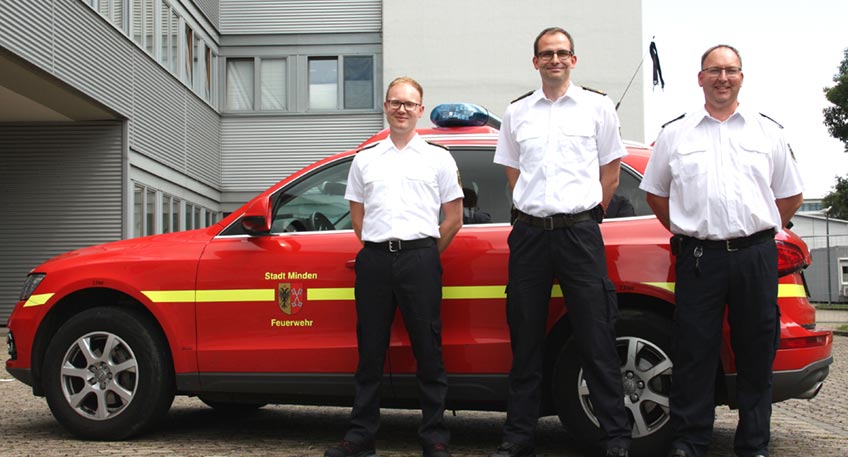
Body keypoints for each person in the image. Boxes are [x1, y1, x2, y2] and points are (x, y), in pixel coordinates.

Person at [639, 45, 804, 457]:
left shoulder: (768, 132)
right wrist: (687, 230)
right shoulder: (676, 133)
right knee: (694, 351)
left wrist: (759, 230)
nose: (723, 78)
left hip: (756, 255)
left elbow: (790, 196)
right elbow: (656, 194)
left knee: (755, 350)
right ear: (700, 78)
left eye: (731, 70)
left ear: (741, 78)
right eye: (714, 70)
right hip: (700, 257)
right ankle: (689, 441)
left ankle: (753, 444)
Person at [491, 27, 632, 457]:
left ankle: (616, 437)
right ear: (535, 62)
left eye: (562, 53)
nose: (554, 59)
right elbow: (513, 174)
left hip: (580, 234)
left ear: (574, 59)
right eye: (546, 54)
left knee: (595, 335)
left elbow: (611, 172)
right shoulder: (517, 113)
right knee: (526, 338)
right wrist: (536, 209)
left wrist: (588, 216)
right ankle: (518, 438)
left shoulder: (597, 107)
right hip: (530, 234)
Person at [324, 76, 464, 457]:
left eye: (409, 103)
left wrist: (428, 254)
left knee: (428, 351)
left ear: (420, 109)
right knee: (370, 352)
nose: (401, 108)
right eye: (394, 102)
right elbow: (358, 218)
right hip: (374, 261)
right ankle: (360, 437)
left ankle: (434, 436)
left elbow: (453, 217)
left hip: (420, 258)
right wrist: (380, 247)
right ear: (386, 107)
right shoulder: (365, 159)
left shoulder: (438, 158)